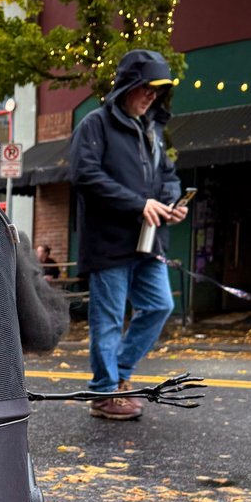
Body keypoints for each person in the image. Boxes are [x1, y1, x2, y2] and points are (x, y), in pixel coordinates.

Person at [69, 48, 189, 421]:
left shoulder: (152, 129)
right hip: (109, 242)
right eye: (148, 87)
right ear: (129, 86)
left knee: (159, 305)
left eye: (159, 90)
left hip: (149, 239)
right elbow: (85, 176)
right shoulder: (95, 124)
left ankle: (116, 376)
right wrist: (140, 204)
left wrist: (170, 203)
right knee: (107, 319)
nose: (153, 95)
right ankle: (105, 393)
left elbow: (168, 176)